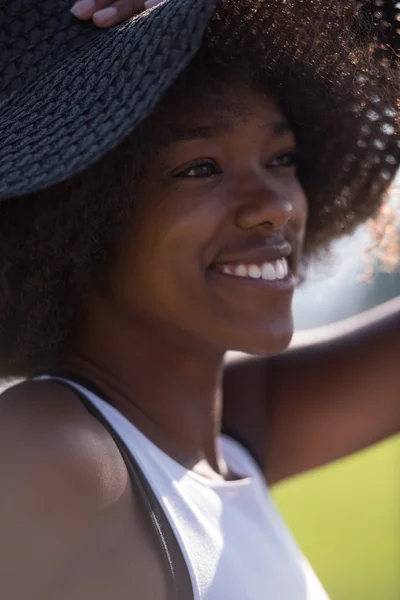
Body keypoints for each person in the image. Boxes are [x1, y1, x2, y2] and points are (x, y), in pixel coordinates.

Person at [0, 1, 399, 599]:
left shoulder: (227, 429)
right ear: (76, 220)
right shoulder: (51, 451)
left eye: (282, 158)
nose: (277, 206)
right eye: (201, 168)